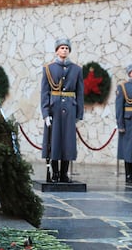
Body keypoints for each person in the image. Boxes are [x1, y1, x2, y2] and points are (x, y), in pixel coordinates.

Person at [41, 38, 84, 183]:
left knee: (68, 142)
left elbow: (80, 92)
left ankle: (64, 173)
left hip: (70, 108)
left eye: (67, 48)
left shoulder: (77, 69)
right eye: (62, 48)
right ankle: (55, 173)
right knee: (54, 141)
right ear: (56, 50)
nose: (64, 50)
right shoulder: (48, 69)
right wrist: (46, 113)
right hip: (55, 109)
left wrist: (79, 113)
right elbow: (45, 93)